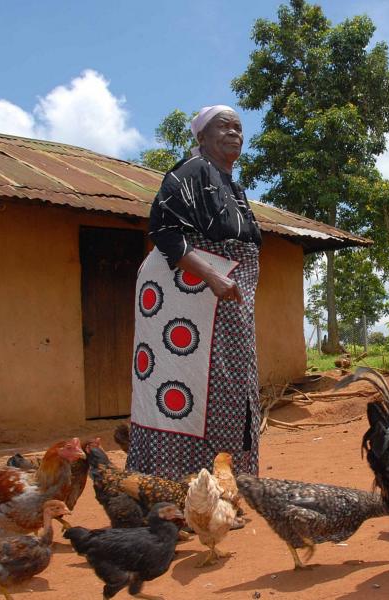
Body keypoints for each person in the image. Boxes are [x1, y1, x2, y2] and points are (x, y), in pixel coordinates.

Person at [126, 105, 261, 480]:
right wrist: (211, 277)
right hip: (189, 299)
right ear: (201, 137)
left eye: (238, 127)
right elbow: (163, 229)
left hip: (221, 302)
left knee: (230, 389)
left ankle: (221, 487)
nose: (234, 132)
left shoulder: (231, 184)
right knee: (190, 390)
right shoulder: (193, 172)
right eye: (223, 126)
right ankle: (175, 487)